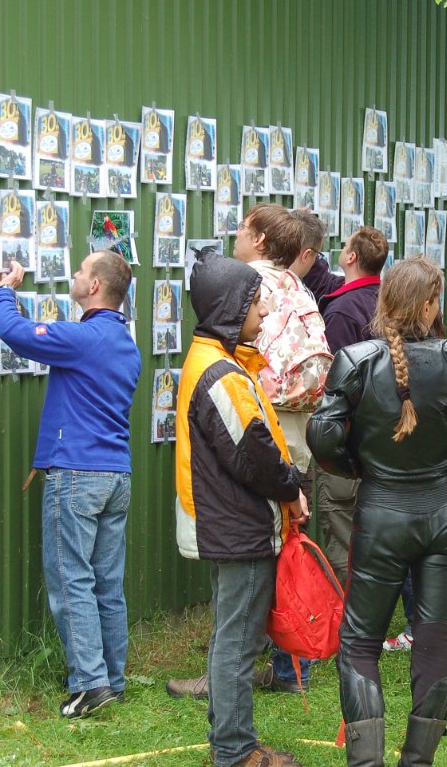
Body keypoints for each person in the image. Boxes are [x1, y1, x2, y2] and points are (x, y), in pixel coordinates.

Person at [308, 257, 447, 767]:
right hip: (444, 512)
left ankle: (367, 763)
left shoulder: (355, 359)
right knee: (435, 636)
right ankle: (417, 762)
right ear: (427, 304)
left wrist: (359, 468)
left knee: (359, 641)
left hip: (382, 514)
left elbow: (323, 436)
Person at [167, 204, 324, 700]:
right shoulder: (297, 286)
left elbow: (246, 448)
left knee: (247, 585)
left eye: (241, 229)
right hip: (291, 436)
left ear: (258, 241)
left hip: (257, 433)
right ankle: (286, 663)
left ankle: (234, 675)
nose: (260, 313)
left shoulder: (245, 287)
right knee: (282, 563)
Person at [0, 254, 140, 719]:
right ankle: (111, 678)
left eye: (79, 272)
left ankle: (90, 685)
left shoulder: (85, 339)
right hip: (116, 475)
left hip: (76, 474)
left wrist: (6, 289)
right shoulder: (126, 344)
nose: (74, 276)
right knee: (106, 583)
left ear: (94, 286)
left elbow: (14, 332)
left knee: (71, 579)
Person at [311, 226, 388, 582]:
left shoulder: (342, 312)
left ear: (352, 257)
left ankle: (348, 623)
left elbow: (339, 383)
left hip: (349, 437)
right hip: (382, 436)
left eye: (342, 245)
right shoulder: (386, 300)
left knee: (341, 528)